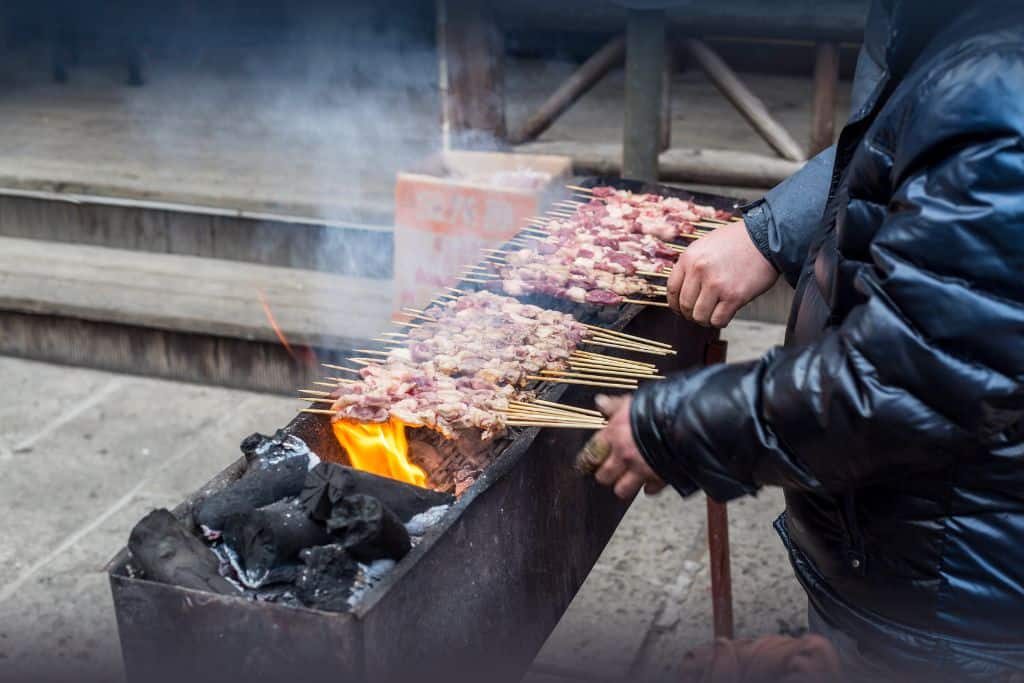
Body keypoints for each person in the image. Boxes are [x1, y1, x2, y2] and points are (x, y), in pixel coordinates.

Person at [581, 0, 1024, 678]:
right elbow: (907, 145)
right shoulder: (967, 42)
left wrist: (672, 425)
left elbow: (902, 381)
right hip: (931, 562)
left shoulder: (997, 81)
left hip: (949, 605)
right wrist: (772, 231)